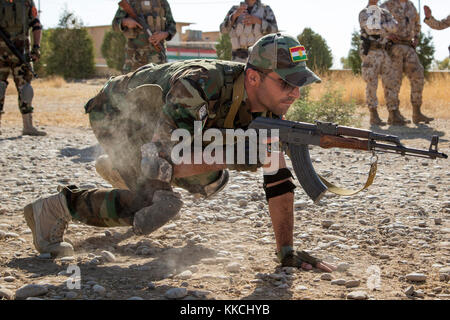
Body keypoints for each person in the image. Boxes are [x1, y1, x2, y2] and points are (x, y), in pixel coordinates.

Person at [23, 33, 336, 273]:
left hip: (157, 129)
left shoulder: (269, 107)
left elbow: (278, 177)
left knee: (211, 180)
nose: (295, 93)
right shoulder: (198, 84)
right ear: (254, 77)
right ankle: (56, 207)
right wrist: (243, 153)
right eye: (287, 83)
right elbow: (163, 159)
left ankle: (121, 170)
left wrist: (287, 252)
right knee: (158, 203)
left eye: (299, 85)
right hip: (117, 114)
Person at [381, 0, 433, 125]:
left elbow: (417, 24)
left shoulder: (411, 6)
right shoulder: (386, 5)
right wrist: (386, 35)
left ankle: (417, 113)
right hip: (393, 47)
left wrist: (417, 37)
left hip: (409, 47)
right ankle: (393, 114)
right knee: (393, 80)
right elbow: (376, 24)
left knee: (418, 75)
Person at [0, 0, 46, 136]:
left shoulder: (27, 2)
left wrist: (36, 48)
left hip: (22, 53)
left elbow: (36, 25)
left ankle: (28, 126)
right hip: (0, 54)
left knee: (26, 89)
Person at [359, 0, 399, 125]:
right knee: (371, 84)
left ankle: (393, 114)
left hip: (384, 51)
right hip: (370, 51)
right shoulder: (364, 12)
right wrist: (386, 29)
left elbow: (395, 27)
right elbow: (371, 29)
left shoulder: (385, 12)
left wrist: (380, 26)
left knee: (390, 82)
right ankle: (374, 115)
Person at [112, 0, 177, 74]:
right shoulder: (129, 1)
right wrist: (125, 22)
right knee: (132, 85)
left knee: (158, 84)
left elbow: (172, 27)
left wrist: (164, 34)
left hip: (157, 58)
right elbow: (115, 25)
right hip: (134, 59)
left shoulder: (162, 2)